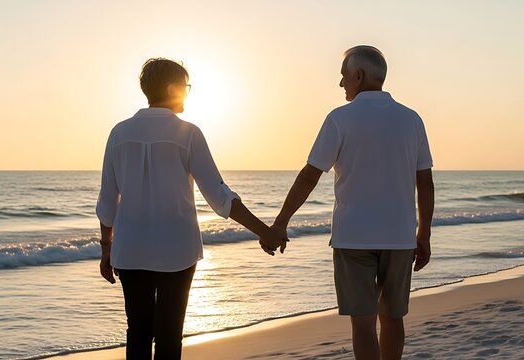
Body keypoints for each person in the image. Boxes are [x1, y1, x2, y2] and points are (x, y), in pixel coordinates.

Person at [96, 58, 285, 360]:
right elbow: (220, 196)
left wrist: (107, 249)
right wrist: (266, 231)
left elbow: (107, 201)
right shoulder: (187, 133)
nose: (187, 92)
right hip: (177, 250)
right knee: (170, 334)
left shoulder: (119, 133)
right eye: (186, 86)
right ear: (172, 88)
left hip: (130, 251)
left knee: (139, 332)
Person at [271, 45, 434, 360]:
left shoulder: (339, 119)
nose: (341, 83)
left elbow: (309, 175)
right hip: (399, 237)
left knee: (363, 325)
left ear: (359, 76)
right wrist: (424, 234)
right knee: (392, 318)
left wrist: (281, 221)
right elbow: (424, 182)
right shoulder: (412, 119)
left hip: (353, 237)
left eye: (344, 76)